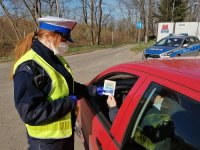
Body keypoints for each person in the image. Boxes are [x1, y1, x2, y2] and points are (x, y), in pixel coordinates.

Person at [11, 16, 103, 150]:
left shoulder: (54, 58)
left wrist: (93, 90)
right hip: (45, 142)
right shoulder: (28, 67)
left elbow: (68, 87)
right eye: (64, 39)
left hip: (64, 136)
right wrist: (69, 102)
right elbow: (30, 113)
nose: (66, 44)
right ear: (49, 36)